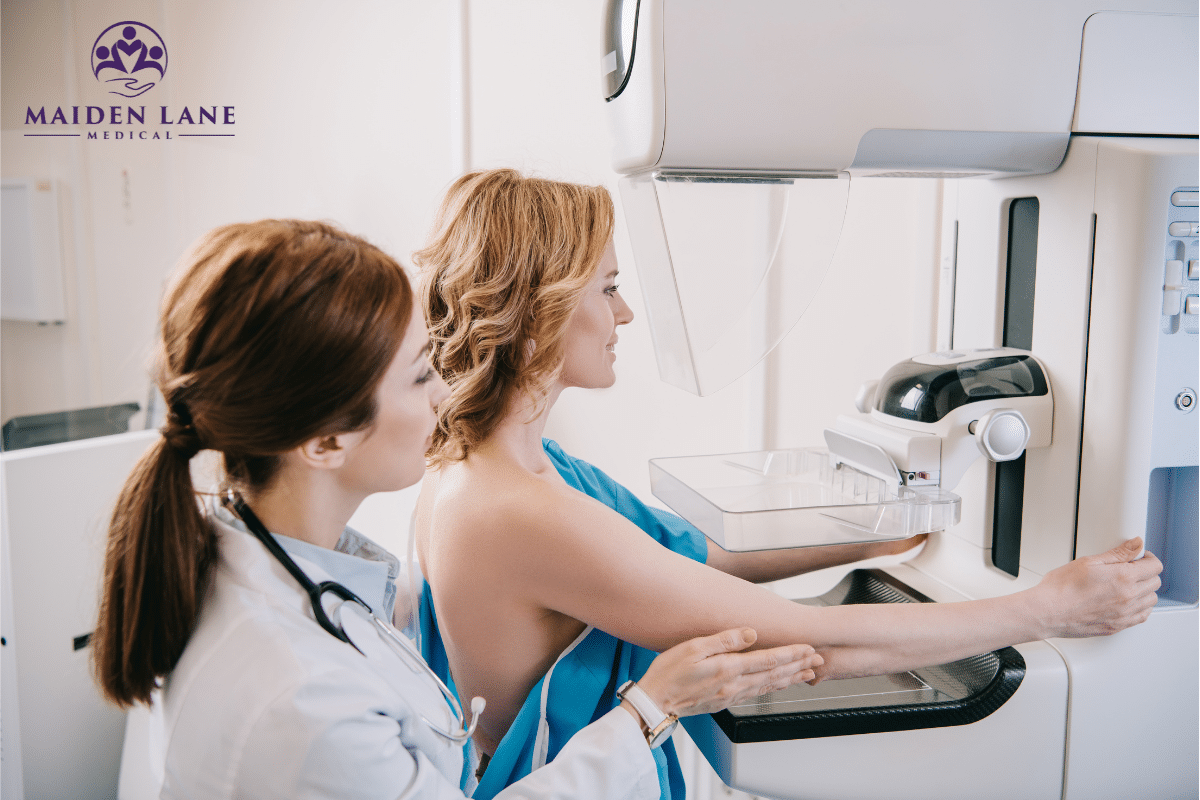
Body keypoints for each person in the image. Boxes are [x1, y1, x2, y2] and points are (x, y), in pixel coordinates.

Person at [412, 169, 1164, 800]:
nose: (626, 312)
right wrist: (1046, 610)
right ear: (539, 313)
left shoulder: (506, 465)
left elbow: (689, 558)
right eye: (608, 289)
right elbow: (808, 640)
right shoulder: (517, 511)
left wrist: (877, 534)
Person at [92, 219, 823, 800]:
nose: (445, 394)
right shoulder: (305, 699)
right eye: (419, 378)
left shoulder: (256, 563)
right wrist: (648, 710)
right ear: (325, 442)